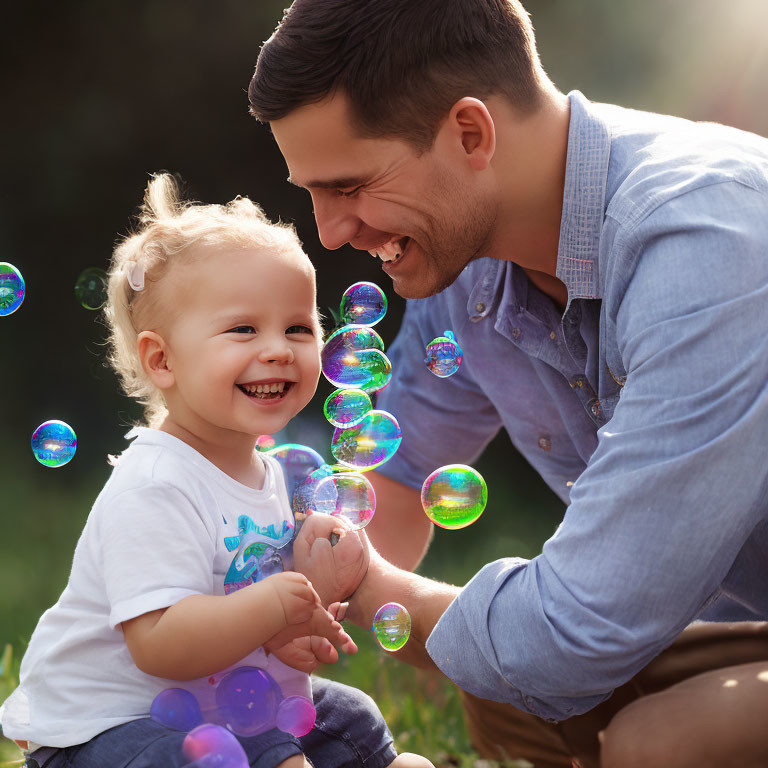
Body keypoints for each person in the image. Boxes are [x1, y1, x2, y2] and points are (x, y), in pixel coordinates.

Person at [247, 1, 768, 766]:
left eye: (350, 185)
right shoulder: (466, 266)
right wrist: (240, 605)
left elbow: (575, 632)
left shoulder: (702, 244)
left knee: (657, 743)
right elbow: (385, 486)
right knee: (508, 704)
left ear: (469, 133)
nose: (328, 231)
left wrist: (366, 587)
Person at [0, 174, 433, 768]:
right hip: (107, 730)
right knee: (238, 749)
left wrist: (287, 631)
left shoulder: (270, 475)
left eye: (299, 327)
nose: (278, 348)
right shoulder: (156, 483)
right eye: (243, 329)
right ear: (162, 359)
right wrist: (271, 609)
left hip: (215, 704)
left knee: (350, 717)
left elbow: (240, 605)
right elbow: (160, 643)